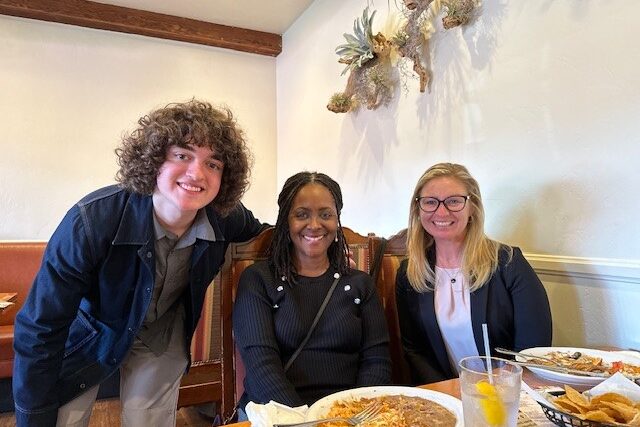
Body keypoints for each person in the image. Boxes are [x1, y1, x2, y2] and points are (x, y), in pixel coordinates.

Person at [13, 100, 266, 427]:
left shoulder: (225, 218)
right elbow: (40, 327)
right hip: (91, 332)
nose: (196, 173)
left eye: (213, 163)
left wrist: (318, 244)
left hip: (162, 332)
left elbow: (265, 238)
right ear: (154, 159)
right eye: (182, 155)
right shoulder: (91, 221)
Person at [233, 172, 391, 415]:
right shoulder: (259, 280)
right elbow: (261, 366)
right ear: (286, 220)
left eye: (325, 214)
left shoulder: (360, 284)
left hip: (348, 417)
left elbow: (377, 362)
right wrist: (306, 420)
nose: (315, 225)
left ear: (336, 220)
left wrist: (354, 416)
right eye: (302, 214)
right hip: (278, 413)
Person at [396, 163, 552, 385]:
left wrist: (489, 389)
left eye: (453, 201)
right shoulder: (409, 273)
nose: (441, 211)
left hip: (508, 393)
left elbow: (533, 352)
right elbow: (414, 349)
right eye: (430, 202)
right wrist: (450, 393)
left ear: (472, 207)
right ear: (418, 209)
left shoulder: (509, 263)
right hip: (446, 394)